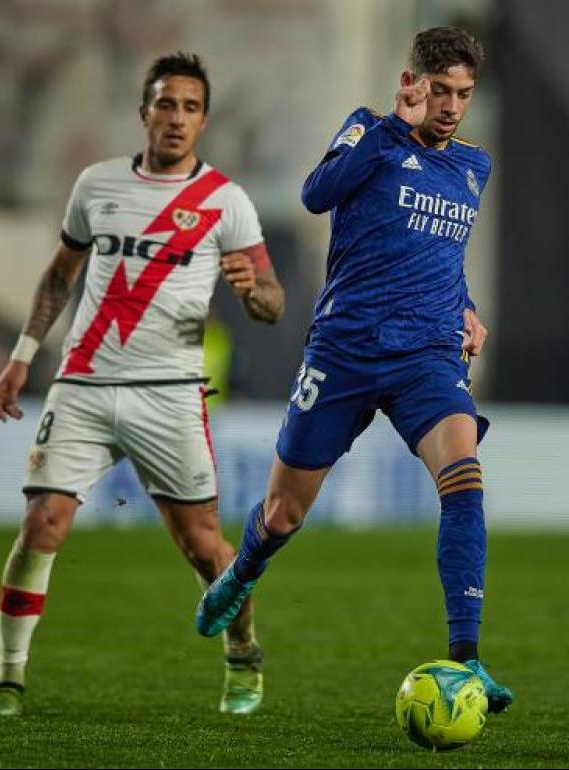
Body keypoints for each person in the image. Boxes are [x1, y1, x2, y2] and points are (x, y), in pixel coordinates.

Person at [195, 27, 513, 713]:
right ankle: (243, 572)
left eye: (464, 93)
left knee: (464, 479)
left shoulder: (472, 168)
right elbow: (316, 195)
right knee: (284, 513)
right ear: (413, 82)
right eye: (441, 90)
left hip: (426, 356)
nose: (453, 105)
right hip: (344, 351)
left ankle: (468, 661)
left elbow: (439, 253)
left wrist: (466, 307)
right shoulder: (369, 132)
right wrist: (389, 127)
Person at [0, 52, 285, 718]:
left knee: (204, 548)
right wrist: (24, 353)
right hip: (82, 384)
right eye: (166, 104)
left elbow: (274, 303)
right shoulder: (97, 183)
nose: (177, 118)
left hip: (168, 393)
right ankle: (7, 681)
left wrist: (250, 287)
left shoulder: (224, 201)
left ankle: (243, 652)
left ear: (205, 120)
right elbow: (60, 273)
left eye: (191, 107)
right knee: (41, 522)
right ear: (143, 111)